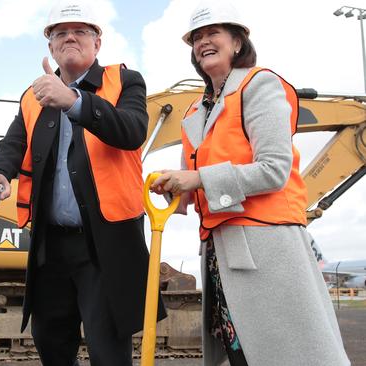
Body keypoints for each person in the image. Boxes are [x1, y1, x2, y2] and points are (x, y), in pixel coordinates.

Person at [150, 2, 351, 365]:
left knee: (288, 354)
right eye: (197, 38)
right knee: (238, 352)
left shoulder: (260, 84)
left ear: (237, 42)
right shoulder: (195, 110)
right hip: (219, 250)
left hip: (266, 246)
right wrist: (176, 190)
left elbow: (273, 168)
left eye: (213, 34)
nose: (203, 43)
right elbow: (196, 186)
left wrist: (195, 179)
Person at [0, 1, 166, 365]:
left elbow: (132, 130)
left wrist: (75, 101)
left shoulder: (125, 81)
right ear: (50, 48)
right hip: (51, 246)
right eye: (61, 33)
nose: (70, 37)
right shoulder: (33, 97)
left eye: (81, 31)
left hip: (104, 244)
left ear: (98, 44)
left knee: (108, 350)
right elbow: (14, 144)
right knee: (51, 343)